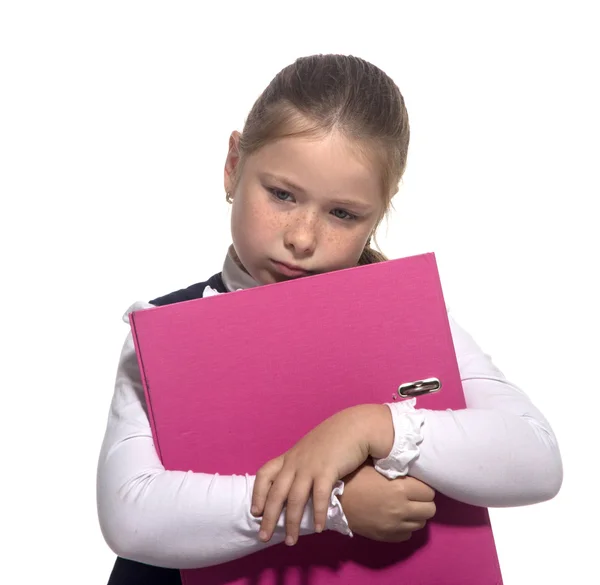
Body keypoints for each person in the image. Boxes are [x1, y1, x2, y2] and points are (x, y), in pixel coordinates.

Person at [97, 54, 563, 584]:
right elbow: (132, 514)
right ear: (233, 165)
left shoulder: (408, 326)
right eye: (281, 194)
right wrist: (335, 505)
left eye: (342, 214)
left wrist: (374, 425)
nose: (301, 238)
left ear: (377, 214)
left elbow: (537, 459)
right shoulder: (166, 330)